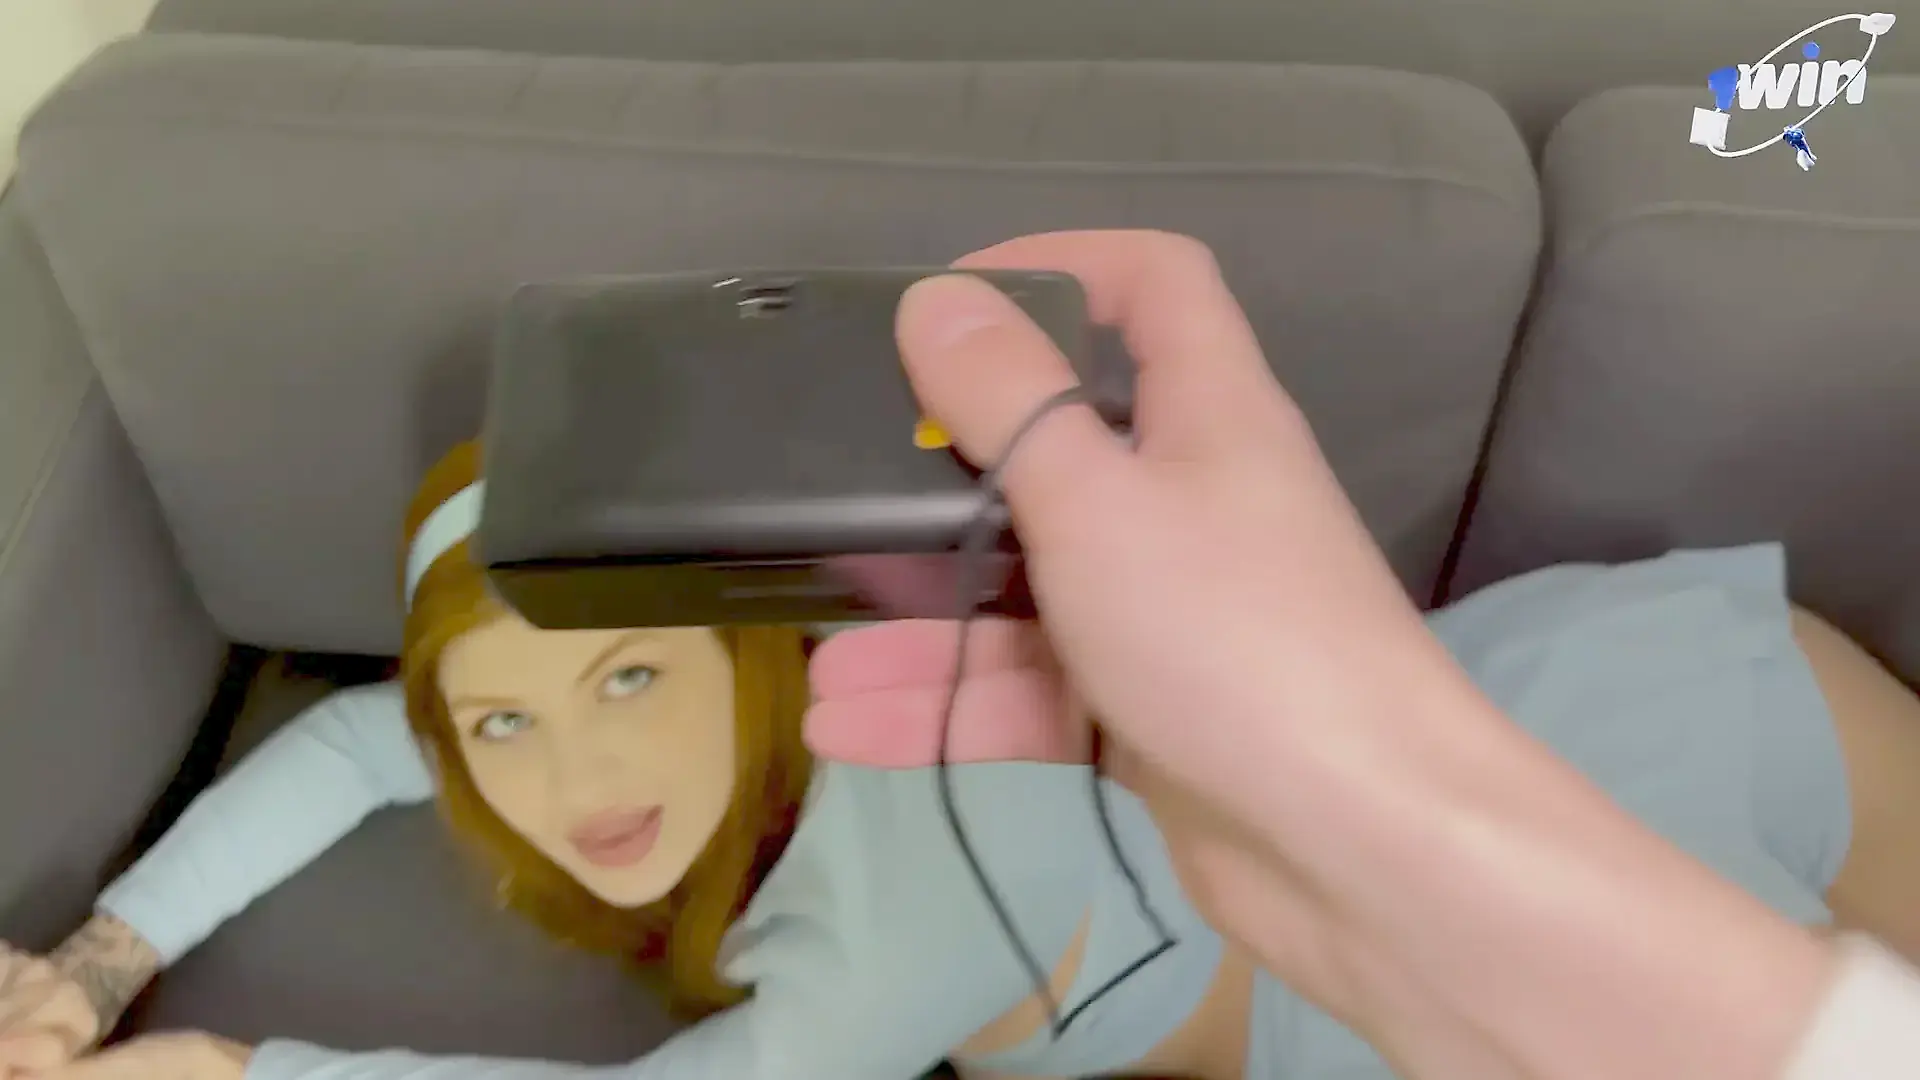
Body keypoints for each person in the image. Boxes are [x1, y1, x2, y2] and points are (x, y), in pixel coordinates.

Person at [1, 230, 1916, 1080]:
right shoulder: (774, 709)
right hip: (1571, 760)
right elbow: (364, 745)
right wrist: (100, 960)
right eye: (498, 722)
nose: (570, 781)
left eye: (631, 679)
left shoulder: (907, 895)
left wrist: (234, 1073)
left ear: (745, 647)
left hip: (1641, 778)